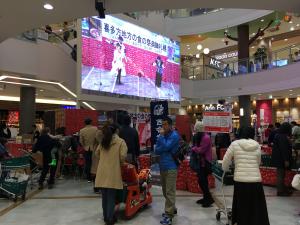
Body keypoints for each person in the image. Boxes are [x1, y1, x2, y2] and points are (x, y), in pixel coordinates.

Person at [222, 126, 270, 225]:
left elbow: (225, 162)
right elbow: (258, 162)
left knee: (242, 207)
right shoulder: (256, 145)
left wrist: (226, 169)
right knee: (256, 207)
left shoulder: (234, 144)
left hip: (241, 180)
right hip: (256, 181)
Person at [95, 124, 127, 225]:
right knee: (111, 197)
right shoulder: (121, 142)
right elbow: (122, 157)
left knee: (104, 197)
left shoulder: (103, 141)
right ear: (117, 131)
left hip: (102, 172)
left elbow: (97, 153)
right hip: (113, 172)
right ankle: (110, 219)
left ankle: (106, 217)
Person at [155, 117, 180, 225]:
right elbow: (157, 149)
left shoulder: (174, 135)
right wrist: (163, 145)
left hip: (171, 167)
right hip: (163, 166)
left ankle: (169, 215)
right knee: (165, 191)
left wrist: (161, 139)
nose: (163, 127)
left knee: (169, 191)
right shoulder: (164, 136)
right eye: (162, 125)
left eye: (165, 124)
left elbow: (166, 146)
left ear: (170, 125)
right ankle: (172, 207)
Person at [192, 121, 214, 208]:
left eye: (196, 131)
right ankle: (205, 198)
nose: (195, 133)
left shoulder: (206, 138)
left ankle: (208, 199)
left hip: (205, 163)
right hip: (201, 163)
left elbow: (201, 150)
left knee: (203, 181)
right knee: (202, 181)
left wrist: (194, 148)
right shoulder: (201, 137)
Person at [272, 122, 293, 196]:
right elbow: (284, 149)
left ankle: (282, 189)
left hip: (278, 158)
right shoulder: (283, 136)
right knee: (281, 175)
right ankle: (280, 191)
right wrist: (286, 160)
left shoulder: (278, 135)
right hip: (281, 159)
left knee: (281, 174)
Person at [79, 118, 98, 182]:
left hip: (86, 148)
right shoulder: (95, 129)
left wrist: (84, 146)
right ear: (91, 122)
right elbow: (97, 138)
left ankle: (88, 178)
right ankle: (94, 178)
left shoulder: (82, 130)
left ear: (85, 123)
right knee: (95, 163)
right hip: (94, 148)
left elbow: (81, 141)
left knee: (87, 163)